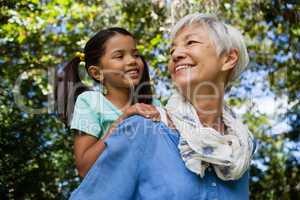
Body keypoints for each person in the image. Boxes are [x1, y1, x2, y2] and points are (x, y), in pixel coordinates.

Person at [69, 13, 256, 200]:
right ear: (96, 72)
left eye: (191, 42)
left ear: (228, 59)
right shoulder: (139, 126)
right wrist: (121, 120)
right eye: (172, 50)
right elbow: (85, 169)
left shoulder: (241, 146)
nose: (176, 54)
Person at [55, 27, 161, 177]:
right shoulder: (90, 102)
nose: (132, 61)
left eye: (135, 54)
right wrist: (124, 119)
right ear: (97, 73)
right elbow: (84, 168)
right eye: (119, 56)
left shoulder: (154, 105)